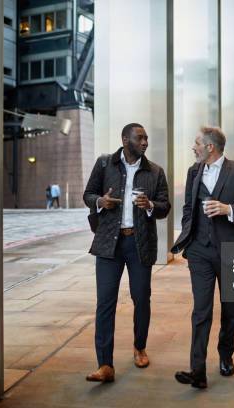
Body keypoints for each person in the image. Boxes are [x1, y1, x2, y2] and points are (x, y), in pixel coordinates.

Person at [171, 126, 234, 389]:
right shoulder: (193, 171)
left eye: (196, 143)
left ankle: (226, 356)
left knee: (230, 308)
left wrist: (228, 209)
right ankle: (197, 370)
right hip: (199, 251)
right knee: (201, 310)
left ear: (210, 147)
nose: (193, 147)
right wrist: (188, 231)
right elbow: (189, 207)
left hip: (230, 250)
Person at [83, 123, 171, 383]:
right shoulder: (104, 164)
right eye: (139, 138)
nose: (145, 142)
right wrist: (101, 201)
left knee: (141, 298)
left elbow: (165, 207)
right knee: (105, 302)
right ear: (125, 140)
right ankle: (105, 364)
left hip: (139, 243)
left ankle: (139, 346)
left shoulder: (155, 171)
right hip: (109, 244)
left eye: (146, 138)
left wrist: (150, 205)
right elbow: (87, 194)